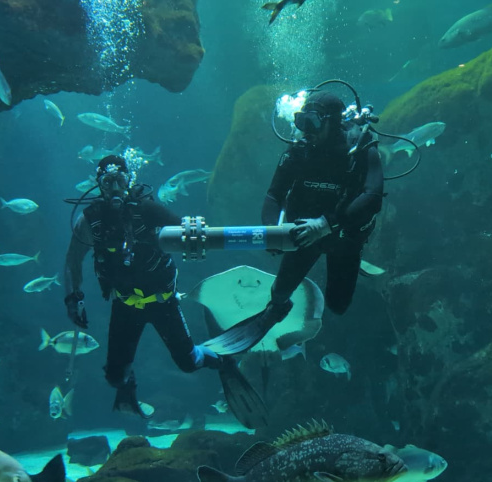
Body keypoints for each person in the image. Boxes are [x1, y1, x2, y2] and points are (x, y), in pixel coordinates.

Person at [63, 155, 266, 427]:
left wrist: (190, 231)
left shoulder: (147, 211)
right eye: (108, 181)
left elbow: (186, 230)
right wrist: (73, 297)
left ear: (129, 181)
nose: (114, 188)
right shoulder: (90, 221)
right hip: (125, 305)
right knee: (114, 377)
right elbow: (72, 259)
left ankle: (222, 359)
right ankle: (127, 381)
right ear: (98, 184)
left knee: (189, 362)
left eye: (119, 180)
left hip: (163, 302)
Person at [204, 90, 384, 355]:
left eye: (311, 122)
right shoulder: (298, 150)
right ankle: (274, 312)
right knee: (278, 295)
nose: (304, 130)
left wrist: (325, 224)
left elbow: (373, 197)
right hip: (301, 234)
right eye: (301, 122)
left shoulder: (361, 147)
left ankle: (354, 263)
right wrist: (272, 231)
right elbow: (273, 194)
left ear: (332, 122)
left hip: (342, 235)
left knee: (338, 305)